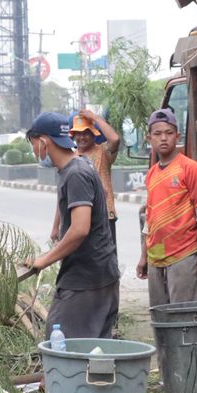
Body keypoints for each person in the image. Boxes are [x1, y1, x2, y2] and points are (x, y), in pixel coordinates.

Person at [23, 112, 121, 339]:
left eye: (33, 143)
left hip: (86, 278)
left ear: (44, 141)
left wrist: (43, 260)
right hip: (99, 274)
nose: (34, 149)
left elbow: (80, 229)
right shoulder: (76, 167)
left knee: (60, 343)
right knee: (94, 352)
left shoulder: (76, 173)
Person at [136, 109, 197, 305]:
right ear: (149, 138)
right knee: (159, 314)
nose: (163, 138)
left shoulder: (189, 168)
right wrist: (144, 255)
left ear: (177, 136)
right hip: (155, 257)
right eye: (157, 134)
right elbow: (150, 217)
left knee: (183, 314)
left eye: (169, 133)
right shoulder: (152, 174)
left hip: (184, 254)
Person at [71, 107, 124, 238]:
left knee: (108, 258)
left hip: (105, 216)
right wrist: (57, 226)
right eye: (78, 133)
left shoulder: (103, 152)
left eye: (86, 133)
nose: (81, 137)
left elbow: (115, 139)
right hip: (80, 219)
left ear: (94, 134)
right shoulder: (71, 159)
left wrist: (95, 117)